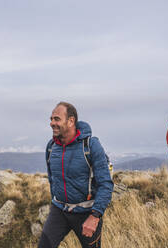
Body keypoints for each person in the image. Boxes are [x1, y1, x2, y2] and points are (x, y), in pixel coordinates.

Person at [38, 102, 113, 248]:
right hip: (59, 210)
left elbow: (106, 184)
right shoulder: (51, 146)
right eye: (51, 119)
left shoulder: (90, 146)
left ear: (71, 121)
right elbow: (52, 179)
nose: (52, 123)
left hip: (87, 213)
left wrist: (95, 216)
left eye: (57, 119)